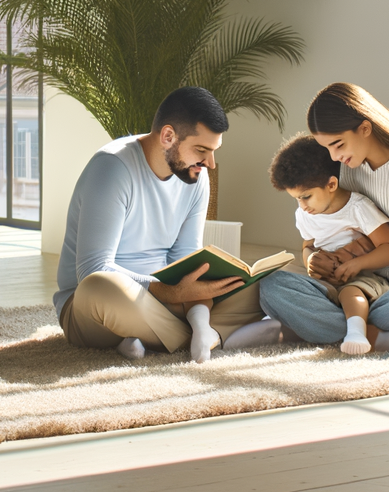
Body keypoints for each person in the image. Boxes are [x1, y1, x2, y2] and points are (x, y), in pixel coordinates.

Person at [55, 86, 267, 362]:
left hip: (167, 301)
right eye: (202, 149)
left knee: (257, 287)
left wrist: (195, 308)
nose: (210, 163)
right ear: (168, 136)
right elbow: (92, 269)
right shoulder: (111, 168)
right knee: (100, 287)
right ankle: (204, 337)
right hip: (94, 307)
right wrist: (167, 291)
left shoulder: (196, 177)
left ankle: (171, 335)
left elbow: (186, 259)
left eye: (214, 151)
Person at [254, 82, 389, 352]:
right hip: (353, 287)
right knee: (272, 286)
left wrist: (366, 254)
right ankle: (380, 337)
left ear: (365, 129)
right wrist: (316, 260)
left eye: (338, 144)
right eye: (327, 148)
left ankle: (343, 331)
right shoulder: (342, 169)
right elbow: (322, 232)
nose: (333, 156)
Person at [269, 134, 389, 354]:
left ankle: (356, 332)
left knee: (351, 293)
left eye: (306, 196)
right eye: (296, 198)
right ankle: (368, 330)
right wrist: (311, 261)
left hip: (359, 277)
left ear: (331, 184)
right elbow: (308, 245)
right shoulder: (305, 214)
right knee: (274, 282)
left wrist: (357, 265)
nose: (302, 205)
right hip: (324, 280)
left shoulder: (358, 208)